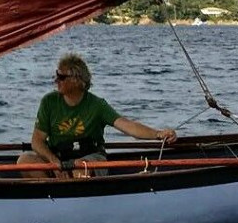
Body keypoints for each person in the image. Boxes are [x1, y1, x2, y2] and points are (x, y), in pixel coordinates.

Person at [19, 53, 177, 175]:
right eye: (56, 75)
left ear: (77, 80)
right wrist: (54, 164)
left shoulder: (97, 105)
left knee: (81, 169)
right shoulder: (49, 102)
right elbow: (37, 142)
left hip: (90, 158)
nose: (56, 80)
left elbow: (128, 126)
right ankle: (51, 197)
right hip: (58, 158)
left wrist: (158, 134)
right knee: (24, 161)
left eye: (61, 77)